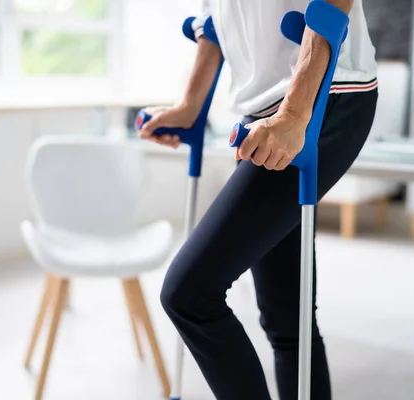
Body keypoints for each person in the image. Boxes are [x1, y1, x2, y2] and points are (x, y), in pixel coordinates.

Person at [136, 0, 378, 399]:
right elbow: (216, 24)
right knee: (288, 321)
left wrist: (296, 115)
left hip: (326, 93)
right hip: (263, 114)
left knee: (189, 294)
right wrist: (190, 107)